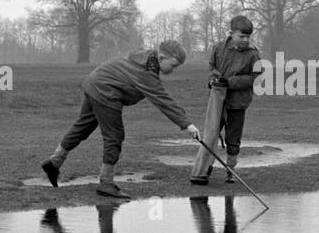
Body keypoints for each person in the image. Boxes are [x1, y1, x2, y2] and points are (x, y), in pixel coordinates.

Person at [42, 39, 200, 199]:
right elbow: (163, 100)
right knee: (114, 137)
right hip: (106, 92)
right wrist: (188, 124)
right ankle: (106, 184)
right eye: (173, 65)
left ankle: (54, 162)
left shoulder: (145, 58)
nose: (173, 70)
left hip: (94, 82)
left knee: (83, 127)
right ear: (161, 57)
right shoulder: (146, 73)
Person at [191, 15, 263, 186]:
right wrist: (213, 80)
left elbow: (256, 78)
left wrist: (230, 82)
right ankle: (203, 170)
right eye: (241, 36)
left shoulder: (253, 55)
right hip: (217, 100)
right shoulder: (218, 48)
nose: (245, 40)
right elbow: (212, 67)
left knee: (233, 138)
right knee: (210, 134)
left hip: (238, 102)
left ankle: (231, 170)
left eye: (248, 37)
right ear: (231, 33)